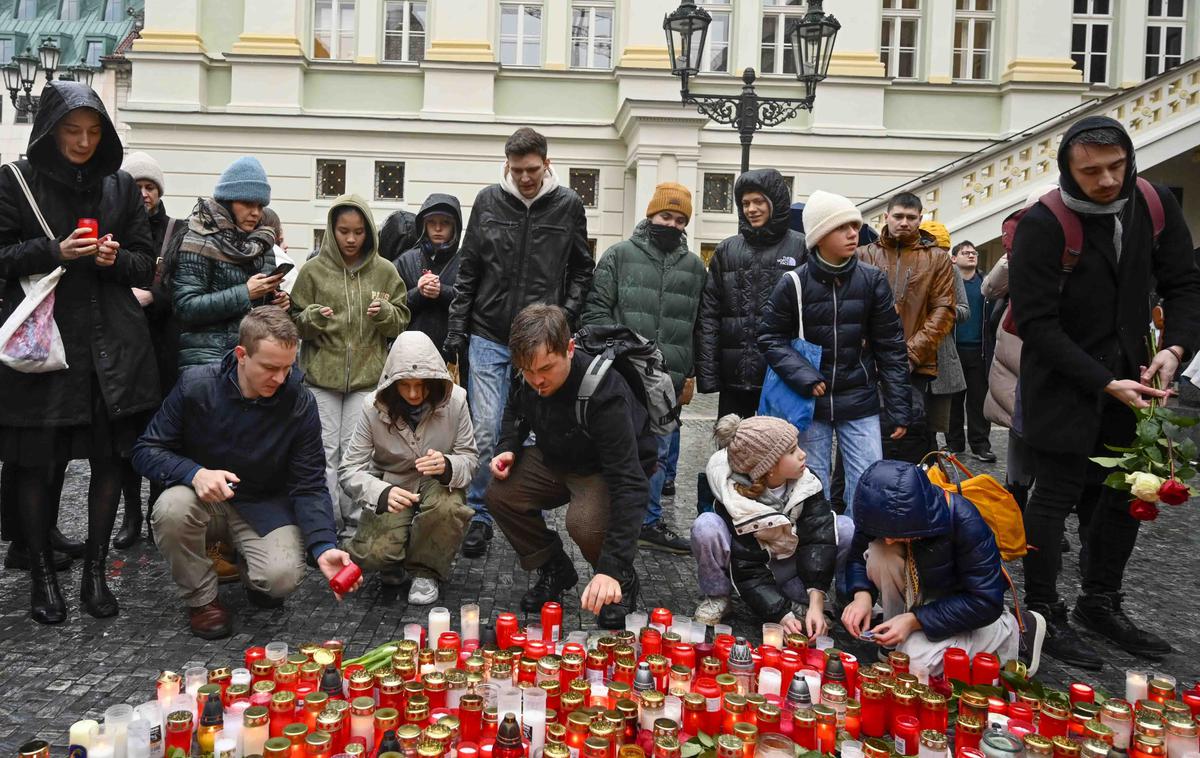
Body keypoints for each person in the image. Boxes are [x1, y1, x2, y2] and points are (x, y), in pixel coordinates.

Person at [1008, 116, 1200, 668]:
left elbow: (1185, 283)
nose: (1108, 180)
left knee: (1123, 493)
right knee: (1055, 495)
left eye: (1116, 166)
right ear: (1068, 168)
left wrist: (1176, 349)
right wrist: (1100, 380)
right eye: (1091, 171)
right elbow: (1037, 323)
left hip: (1137, 379)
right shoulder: (1043, 222)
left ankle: (1101, 602)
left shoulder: (1153, 203)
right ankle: (1043, 611)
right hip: (1064, 383)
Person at [0, 80, 158, 624]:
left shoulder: (120, 188)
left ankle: (95, 572)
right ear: (50, 129)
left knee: (109, 460)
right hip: (45, 350)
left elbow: (147, 264)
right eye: (72, 130)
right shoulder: (15, 182)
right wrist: (54, 251)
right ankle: (42, 574)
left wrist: (115, 259)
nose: (83, 141)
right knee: (38, 465)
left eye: (93, 131)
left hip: (110, 350)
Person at [133, 307, 362, 639]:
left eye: (288, 368)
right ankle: (202, 600)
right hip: (201, 497)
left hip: (263, 504)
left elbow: (309, 483)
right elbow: (146, 450)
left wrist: (324, 545)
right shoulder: (197, 385)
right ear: (241, 355)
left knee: (280, 579)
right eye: (270, 368)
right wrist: (194, 473)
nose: (280, 379)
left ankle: (251, 570)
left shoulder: (299, 401)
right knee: (171, 509)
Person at [444, 127, 593, 559]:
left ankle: (526, 506)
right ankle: (480, 513)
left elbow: (583, 268)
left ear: (547, 163)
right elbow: (469, 266)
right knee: (488, 428)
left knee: (535, 430)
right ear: (506, 164)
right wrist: (457, 325)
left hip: (540, 339)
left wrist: (565, 315)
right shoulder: (488, 201)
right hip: (489, 332)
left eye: (532, 169)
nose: (526, 177)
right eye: (517, 169)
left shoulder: (567, 204)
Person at [485, 304, 654, 627]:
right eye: (528, 370)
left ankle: (620, 582)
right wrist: (507, 447)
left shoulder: (604, 393)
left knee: (584, 522)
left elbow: (630, 483)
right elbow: (516, 409)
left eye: (546, 369)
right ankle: (555, 568)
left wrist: (612, 567)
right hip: (556, 456)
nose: (537, 381)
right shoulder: (528, 370)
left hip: (601, 469)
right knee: (500, 493)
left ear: (570, 349)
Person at [758, 191, 910, 519]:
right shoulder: (793, 283)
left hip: (860, 399)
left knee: (869, 485)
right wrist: (804, 375)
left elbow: (891, 346)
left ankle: (857, 558)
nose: (853, 233)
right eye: (842, 227)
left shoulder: (872, 281)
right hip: (809, 404)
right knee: (812, 486)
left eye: (855, 225)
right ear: (819, 236)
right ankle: (819, 555)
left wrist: (898, 407)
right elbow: (769, 337)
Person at [582, 182, 706, 554]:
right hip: (624, 373)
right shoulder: (619, 255)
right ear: (651, 215)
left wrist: (690, 373)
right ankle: (612, 517)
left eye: (680, 219)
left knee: (660, 452)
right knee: (617, 448)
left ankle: (648, 522)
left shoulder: (696, 267)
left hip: (669, 379)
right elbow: (596, 311)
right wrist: (622, 354)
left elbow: (699, 324)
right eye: (666, 216)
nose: (672, 224)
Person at [841, 460, 1046, 679]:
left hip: (962, 607)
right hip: (921, 596)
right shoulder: (878, 515)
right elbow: (858, 557)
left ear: (917, 518)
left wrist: (914, 620)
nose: (889, 539)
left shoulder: (964, 519)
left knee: (915, 663)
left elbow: (985, 602)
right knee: (880, 553)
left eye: (894, 533)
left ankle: (1011, 633)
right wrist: (862, 595)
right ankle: (894, 639)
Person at [291, 195, 410, 538]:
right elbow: (295, 321)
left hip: (366, 379)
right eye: (344, 231)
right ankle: (325, 525)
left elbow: (402, 321)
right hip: (321, 378)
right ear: (332, 230)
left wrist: (387, 314)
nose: (351, 238)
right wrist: (311, 318)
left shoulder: (385, 271)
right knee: (324, 453)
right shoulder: (313, 270)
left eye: (358, 231)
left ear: (369, 232)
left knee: (356, 457)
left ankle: (356, 525)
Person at [339, 331, 478, 605]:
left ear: (434, 380)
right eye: (405, 385)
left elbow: (470, 459)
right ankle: (395, 558)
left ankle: (426, 571)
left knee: (448, 507)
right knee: (373, 554)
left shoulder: (457, 400)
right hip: (393, 483)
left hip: (438, 484)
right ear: (393, 383)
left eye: (421, 384)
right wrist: (380, 492)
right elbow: (349, 469)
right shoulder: (371, 407)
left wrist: (448, 464)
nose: (414, 393)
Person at [690, 414, 854, 630]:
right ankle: (718, 596)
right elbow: (747, 568)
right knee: (706, 526)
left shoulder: (807, 481)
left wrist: (816, 602)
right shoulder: (735, 497)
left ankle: (807, 603)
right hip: (743, 569)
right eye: (792, 451)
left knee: (845, 528)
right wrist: (781, 616)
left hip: (790, 566)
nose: (803, 454)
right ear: (769, 467)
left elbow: (818, 540)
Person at [112, 150, 187, 550]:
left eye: (149, 187)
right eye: (136, 186)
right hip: (124, 350)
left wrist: (153, 297)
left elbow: (183, 286)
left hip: (163, 350)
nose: (143, 194)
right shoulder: (115, 227)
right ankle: (130, 515)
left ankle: (158, 509)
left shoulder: (178, 230)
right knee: (126, 437)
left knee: (162, 435)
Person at [697, 169, 806, 417]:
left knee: (780, 450)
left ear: (775, 203)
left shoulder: (801, 247)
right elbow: (709, 314)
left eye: (758, 201)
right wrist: (708, 373)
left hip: (781, 374)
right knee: (732, 451)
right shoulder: (727, 249)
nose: (751, 209)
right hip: (735, 377)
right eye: (745, 203)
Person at [857, 193, 956, 463]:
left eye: (911, 217)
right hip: (868, 364)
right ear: (886, 217)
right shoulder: (863, 254)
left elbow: (943, 310)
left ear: (920, 219)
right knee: (863, 437)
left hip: (916, 364)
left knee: (909, 439)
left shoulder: (937, 258)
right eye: (898, 216)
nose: (904, 222)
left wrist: (909, 355)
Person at [171, 156, 289, 369]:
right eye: (247, 203)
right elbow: (186, 307)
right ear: (227, 201)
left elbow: (262, 308)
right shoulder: (198, 238)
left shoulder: (263, 242)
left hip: (253, 362)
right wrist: (246, 293)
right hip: (206, 363)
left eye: (260, 205)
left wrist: (279, 302)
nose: (255, 212)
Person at [395, 194, 464, 372]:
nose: (438, 228)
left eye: (445, 222)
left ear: (455, 226)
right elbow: (393, 307)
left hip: (451, 355)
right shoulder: (406, 260)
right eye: (432, 222)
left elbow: (474, 302)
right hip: (410, 355)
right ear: (423, 225)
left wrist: (443, 292)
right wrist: (418, 293)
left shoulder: (466, 262)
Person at [920, 221, 969, 457]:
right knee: (913, 426)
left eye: (940, 248)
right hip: (912, 356)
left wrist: (942, 310)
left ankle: (932, 473)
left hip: (942, 357)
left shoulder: (952, 271)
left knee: (936, 425)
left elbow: (964, 310)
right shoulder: (910, 265)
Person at [947, 240, 994, 462]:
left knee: (978, 401)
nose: (971, 255)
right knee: (953, 401)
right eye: (965, 252)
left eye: (973, 252)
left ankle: (981, 445)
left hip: (979, 351)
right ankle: (953, 444)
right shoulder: (948, 284)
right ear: (953, 258)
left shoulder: (987, 284)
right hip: (953, 350)